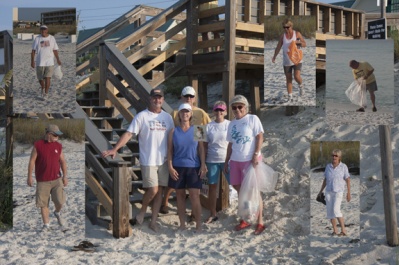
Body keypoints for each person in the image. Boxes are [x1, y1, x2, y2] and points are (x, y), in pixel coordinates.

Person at [102, 88, 174, 232]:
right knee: (152, 189)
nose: (157, 100)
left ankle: (153, 221)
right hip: (148, 160)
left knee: (159, 191)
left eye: (160, 98)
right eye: (155, 97)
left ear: (163, 100)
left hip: (164, 160)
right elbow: (129, 134)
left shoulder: (168, 118)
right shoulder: (141, 116)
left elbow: (172, 138)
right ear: (150, 99)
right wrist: (115, 149)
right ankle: (143, 210)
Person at [161, 86, 211, 214]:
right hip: (179, 152)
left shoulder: (201, 113)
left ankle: (195, 215)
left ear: (195, 98)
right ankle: (165, 201)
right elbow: (170, 133)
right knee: (174, 184)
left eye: (191, 96)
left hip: (196, 153)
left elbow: (208, 131)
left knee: (195, 190)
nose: (189, 98)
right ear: (181, 97)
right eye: (186, 96)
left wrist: (204, 160)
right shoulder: (175, 112)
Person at [223, 95, 265, 235]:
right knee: (238, 188)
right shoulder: (232, 123)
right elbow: (230, 143)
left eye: (240, 106)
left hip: (249, 159)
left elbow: (259, 136)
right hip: (235, 160)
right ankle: (246, 217)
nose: (237, 109)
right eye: (234, 107)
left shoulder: (253, 119)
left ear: (246, 107)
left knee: (254, 189)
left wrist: (256, 154)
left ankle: (260, 221)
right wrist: (226, 160)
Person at [168, 103, 207, 232]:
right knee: (179, 196)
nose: (185, 114)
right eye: (182, 111)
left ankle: (198, 224)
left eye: (187, 112)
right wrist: (170, 167)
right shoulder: (173, 131)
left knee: (195, 196)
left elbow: (201, 149)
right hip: (177, 167)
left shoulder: (199, 129)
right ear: (178, 114)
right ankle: (182, 224)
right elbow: (170, 151)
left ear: (191, 114)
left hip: (193, 167)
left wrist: (203, 164)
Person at [27, 124, 67, 231]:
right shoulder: (38, 145)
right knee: (43, 204)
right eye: (55, 135)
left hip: (57, 179)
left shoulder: (58, 146)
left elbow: (62, 161)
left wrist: (65, 176)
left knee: (60, 201)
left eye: (58, 135)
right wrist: (29, 177)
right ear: (49, 134)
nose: (57, 137)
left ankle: (57, 212)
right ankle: (46, 225)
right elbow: (32, 161)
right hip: (42, 181)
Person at [203, 101, 230, 224]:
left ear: (225, 112)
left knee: (235, 184)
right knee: (212, 187)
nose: (219, 112)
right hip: (211, 160)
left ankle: (241, 212)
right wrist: (202, 163)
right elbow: (202, 147)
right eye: (217, 110)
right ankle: (212, 213)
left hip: (227, 160)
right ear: (213, 111)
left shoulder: (230, 124)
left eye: (221, 110)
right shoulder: (207, 126)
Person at [317, 149, 351, 236]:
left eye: (336, 155)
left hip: (338, 192)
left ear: (339, 157)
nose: (334, 157)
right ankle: (335, 230)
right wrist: (320, 191)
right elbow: (325, 180)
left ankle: (343, 230)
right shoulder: (328, 166)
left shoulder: (343, 166)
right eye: (333, 155)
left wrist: (348, 193)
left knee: (336, 210)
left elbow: (347, 179)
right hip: (328, 191)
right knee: (330, 212)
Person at [271, 18, 306, 102]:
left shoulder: (297, 34)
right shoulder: (283, 36)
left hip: (297, 59)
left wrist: (298, 43)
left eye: (287, 27)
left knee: (297, 76)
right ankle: (290, 97)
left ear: (291, 26)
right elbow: (278, 46)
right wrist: (274, 56)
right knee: (288, 79)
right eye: (284, 27)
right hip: (287, 60)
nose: (286, 29)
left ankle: (301, 86)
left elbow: (304, 44)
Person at [31, 25, 62, 99]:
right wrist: (32, 61)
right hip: (40, 61)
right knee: (40, 78)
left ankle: (46, 93)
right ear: (40, 31)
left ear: (47, 30)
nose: (43, 31)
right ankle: (43, 88)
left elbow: (55, 50)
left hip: (50, 62)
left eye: (44, 30)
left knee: (48, 77)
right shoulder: (37, 38)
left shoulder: (52, 38)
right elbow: (33, 51)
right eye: (42, 30)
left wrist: (58, 59)